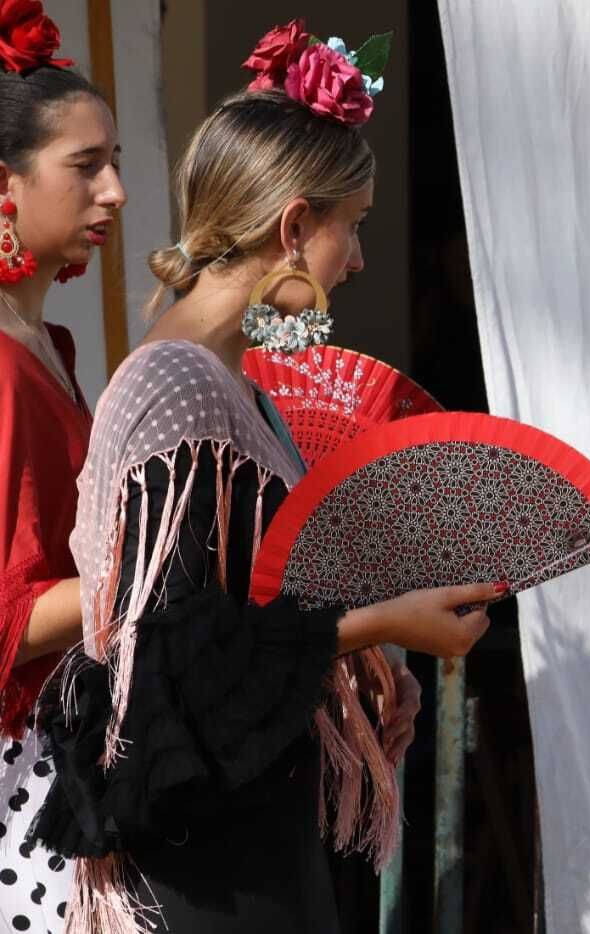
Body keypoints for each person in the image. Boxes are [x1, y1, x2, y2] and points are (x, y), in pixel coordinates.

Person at [28, 20, 493, 933]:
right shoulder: (176, 389)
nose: (357, 259)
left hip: (246, 844)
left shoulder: (231, 385)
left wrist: (364, 662)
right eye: (348, 228)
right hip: (202, 877)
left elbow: (247, 614)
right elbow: (171, 672)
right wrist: (378, 621)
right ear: (292, 227)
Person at [0, 2, 125, 929]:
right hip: (19, 773)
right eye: (85, 167)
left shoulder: (51, 347)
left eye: (115, 162)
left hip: (66, 746)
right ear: (4, 183)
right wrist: (157, 578)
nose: (115, 190)